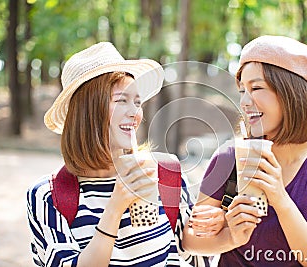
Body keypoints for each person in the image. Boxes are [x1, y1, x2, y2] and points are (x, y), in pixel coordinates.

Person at [27, 42, 207, 266]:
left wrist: (226, 233)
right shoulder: (49, 196)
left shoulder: (165, 174)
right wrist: (116, 204)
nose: (135, 113)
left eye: (137, 102)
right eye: (122, 100)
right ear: (88, 111)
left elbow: (192, 256)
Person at [182, 35, 307, 266]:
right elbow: (190, 240)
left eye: (256, 87)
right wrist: (230, 235)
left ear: (291, 93)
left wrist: (279, 197)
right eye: (242, 90)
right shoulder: (229, 158)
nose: (244, 101)